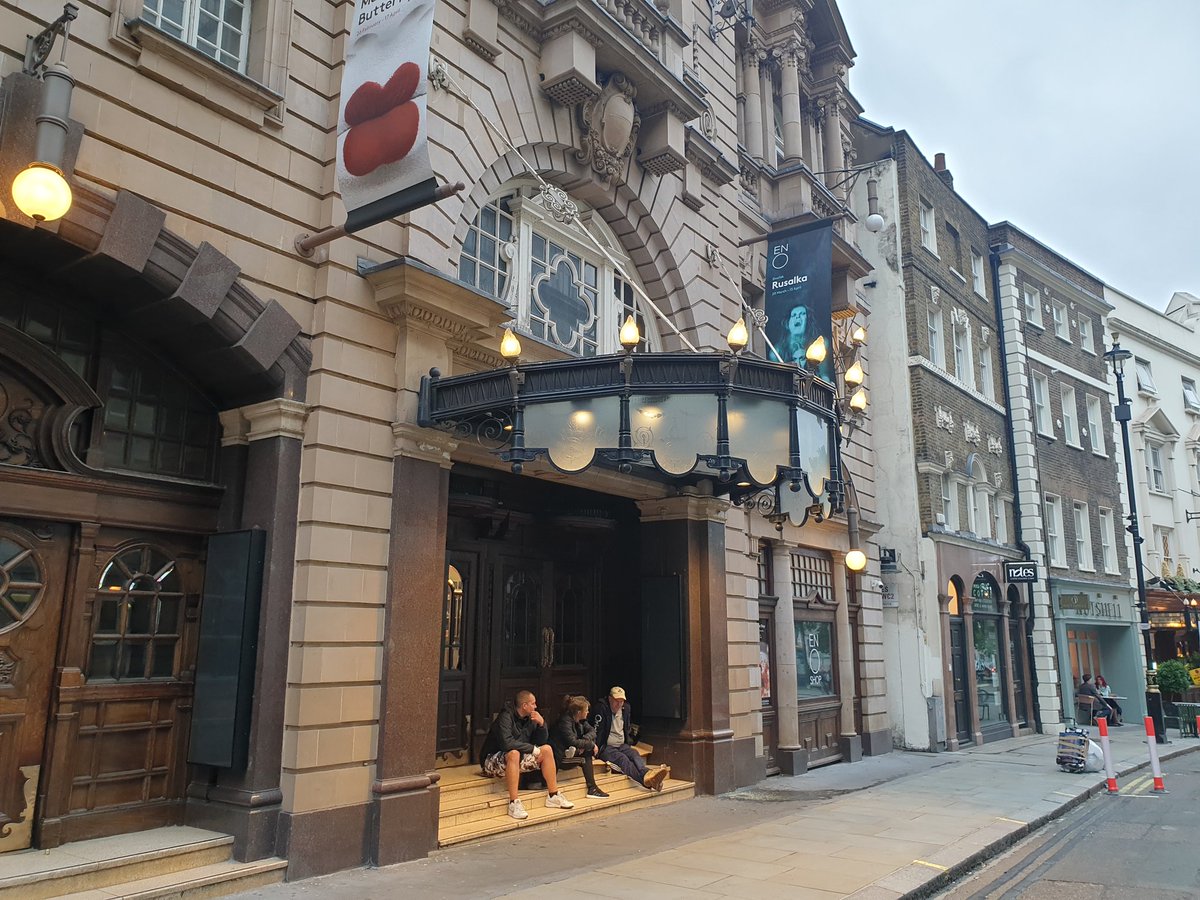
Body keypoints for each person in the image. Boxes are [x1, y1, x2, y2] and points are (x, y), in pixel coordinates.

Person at [480, 690, 576, 819]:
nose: (536, 706)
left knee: (547, 749)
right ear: (525, 705)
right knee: (513, 753)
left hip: (519, 757)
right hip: (492, 760)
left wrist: (542, 724)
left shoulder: (531, 717)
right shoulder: (506, 716)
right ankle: (514, 803)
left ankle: (553, 795)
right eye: (533, 703)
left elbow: (540, 742)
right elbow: (506, 744)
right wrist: (532, 749)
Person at [592, 686, 668, 792]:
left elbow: (626, 727)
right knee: (623, 759)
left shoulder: (626, 708)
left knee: (634, 754)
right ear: (610, 699)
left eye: (621, 701)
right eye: (616, 701)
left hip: (622, 744)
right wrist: (594, 747)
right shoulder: (601, 708)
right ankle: (646, 781)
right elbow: (595, 729)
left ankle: (648, 774)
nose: (619, 704)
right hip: (606, 747)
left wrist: (629, 741)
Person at [550, 695, 608, 799]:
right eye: (586, 710)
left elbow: (593, 731)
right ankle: (592, 788)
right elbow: (571, 740)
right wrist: (590, 744)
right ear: (578, 712)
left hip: (572, 751)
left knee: (586, 751)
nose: (588, 712)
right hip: (560, 757)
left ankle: (592, 788)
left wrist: (585, 740)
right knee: (586, 755)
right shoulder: (565, 721)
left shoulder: (580, 721)